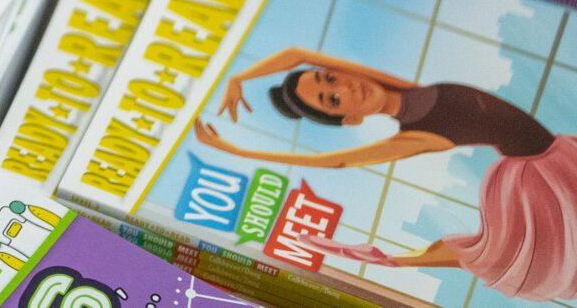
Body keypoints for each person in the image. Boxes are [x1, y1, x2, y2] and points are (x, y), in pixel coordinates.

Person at [191, 46, 577, 300]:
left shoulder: (405, 89)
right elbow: (334, 162)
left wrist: (239, 78)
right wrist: (236, 150)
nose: (343, 84)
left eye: (329, 77)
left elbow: (295, 54)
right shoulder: (416, 135)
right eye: (333, 98)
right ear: (351, 117)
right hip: (539, 179)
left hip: (558, 150)